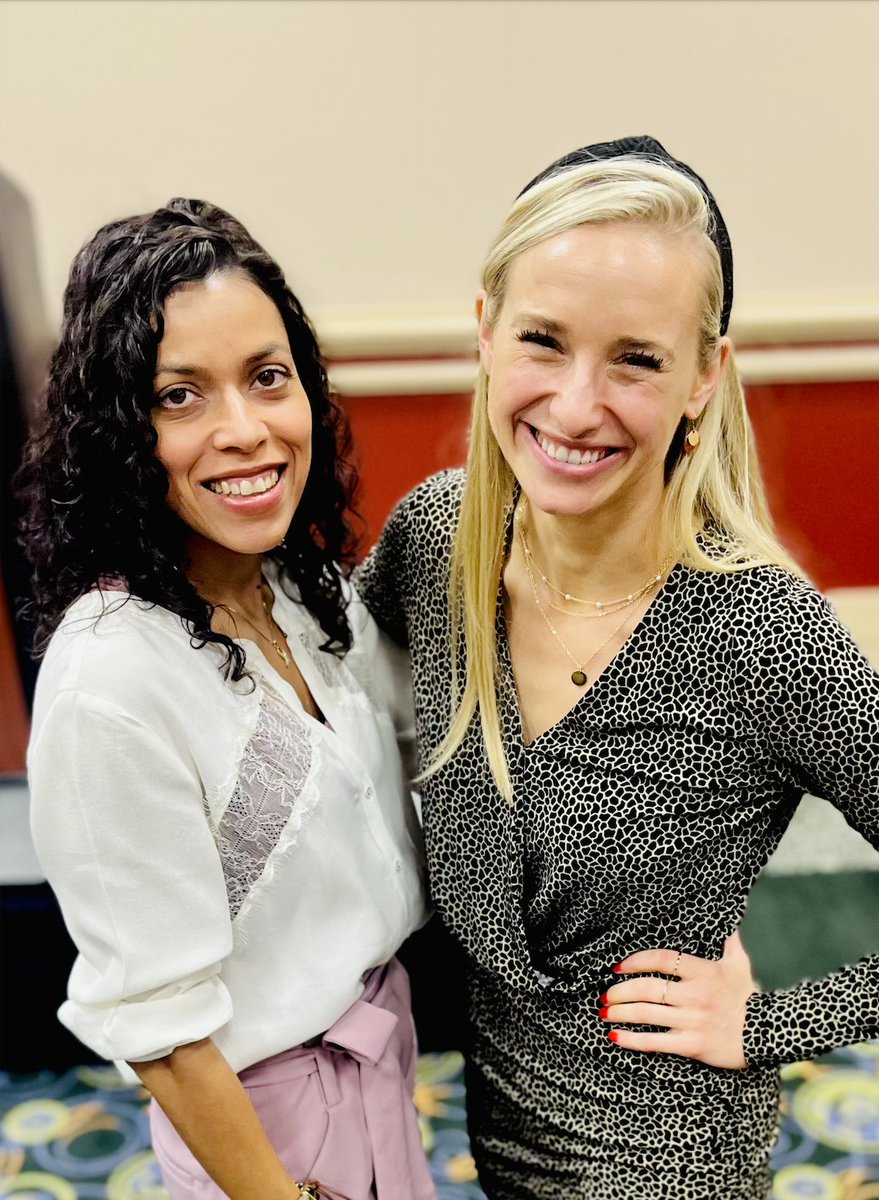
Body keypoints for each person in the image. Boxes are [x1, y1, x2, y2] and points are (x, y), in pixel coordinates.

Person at [355, 136, 879, 1199]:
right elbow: (315, 690)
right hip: (494, 1123)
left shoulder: (760, 634)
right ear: (485, 332)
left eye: (636, 359)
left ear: (702, 378)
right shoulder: (438, 541)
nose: (576, 405)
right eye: (542, 340)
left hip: (665, 1158)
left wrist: (771, 1023)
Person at [20, 198, 436, 1200]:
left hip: (380, 1063)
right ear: (119, 431)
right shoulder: (110, 682)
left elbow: (439, 733)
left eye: (266, 377)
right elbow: (160, 1032)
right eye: (180, 396)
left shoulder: (303, 589)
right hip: (258, 1129)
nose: (244, 431)